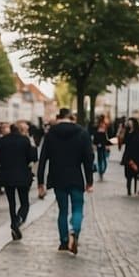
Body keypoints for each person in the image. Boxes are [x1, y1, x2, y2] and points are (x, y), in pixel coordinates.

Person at [37, 109, 94, 255]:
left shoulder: (51, 133)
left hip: (58, 177)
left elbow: (42, 159)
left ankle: (63, 241)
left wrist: (40, 182)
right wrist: (89, 180)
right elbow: (88, 158)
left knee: (63, 210)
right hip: (76, 177)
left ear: (59, 117)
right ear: (71, 117)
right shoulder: (82, 132)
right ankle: (74, 231)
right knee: (77, 208)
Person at [0, 122, 37, 240]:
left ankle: (14, 222)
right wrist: (32, 143)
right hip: (22, 175)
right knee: (24, 202)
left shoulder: (1, 142)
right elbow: (33, 157)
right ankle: (19, 220)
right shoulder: (24, 140)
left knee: (11, 202)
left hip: (7, 176)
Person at [119, 117, 139, 196]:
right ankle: (129, 189)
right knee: (128, 173)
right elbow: (123, 141)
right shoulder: (127, 133)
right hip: (130, 156)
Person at [92, 117, 112, 182]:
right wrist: (95, 146)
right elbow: (95, 140)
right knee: (100, 160)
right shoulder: (97, 132)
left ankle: (101, 172)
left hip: (104, 147)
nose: (104, 125)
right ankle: (101, 173)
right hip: (99, 148)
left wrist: (107, 145)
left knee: (104, 160)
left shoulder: (105, 132)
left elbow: (106, 140)